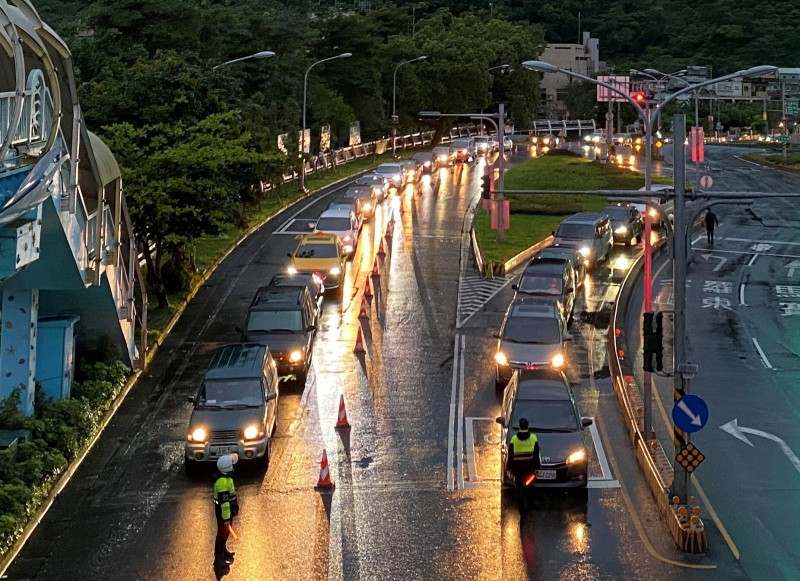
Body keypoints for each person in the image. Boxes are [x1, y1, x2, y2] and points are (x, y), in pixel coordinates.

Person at [507, 418, 541, 509]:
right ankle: (531, 503)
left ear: (519, 426)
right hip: (529, 467)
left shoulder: (514, 439)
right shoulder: (533, 437)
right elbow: (536, 453)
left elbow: (510, 454)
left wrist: (508, 467)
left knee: (519, 487)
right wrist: (537, 466)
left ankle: (520, 505)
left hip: (517, 468)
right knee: (530, 485)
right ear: (527, 426)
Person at [213, 454, 239, 565]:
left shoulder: (225, 478)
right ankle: (219, 558)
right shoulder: (223, 482)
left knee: (225, 533)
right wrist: (227, 518)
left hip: (226, 513)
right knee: (222, 534)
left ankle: (223, 552)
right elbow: (224, 503)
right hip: (223, 513)